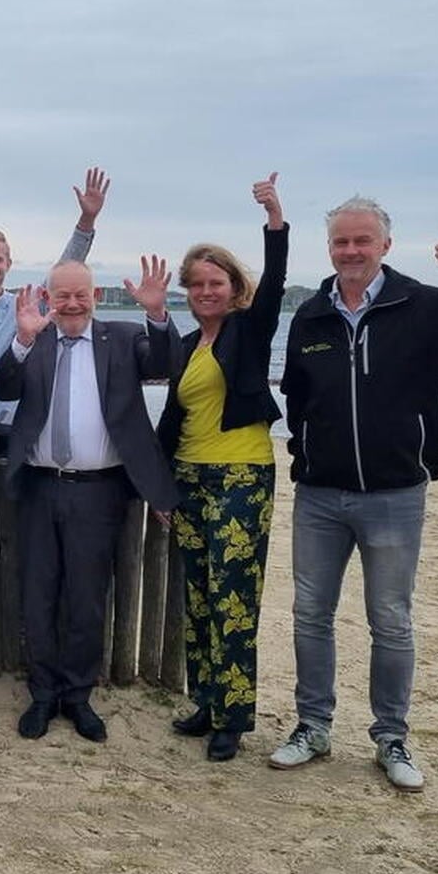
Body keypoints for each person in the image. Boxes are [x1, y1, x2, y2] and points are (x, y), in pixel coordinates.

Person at [268, 199, 438, 791]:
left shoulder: (426, 306)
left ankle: (391, 736)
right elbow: (297, 396)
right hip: (321, 495)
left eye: (362, 241)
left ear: (385, 244)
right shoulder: (310, 315)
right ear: (329, 248)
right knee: (310, 615)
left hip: (395, 493)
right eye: (341, 242)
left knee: (390, 619)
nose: (351, 251)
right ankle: (312, 725)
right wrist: (303, 456)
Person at [0, 259, 178, 744]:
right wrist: (23, 339)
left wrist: (158, 315)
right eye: (62, 296)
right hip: (39, 485)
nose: (72, 304)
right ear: (48, 298)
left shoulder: (120, 337)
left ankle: (77, 695)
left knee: (87, 597)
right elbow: (3, 386)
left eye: (80, 295)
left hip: (99, 490)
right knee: (38, 594)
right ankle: (42, 692)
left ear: (95, 295)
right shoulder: (35, 338)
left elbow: (162, 364)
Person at [146, 174, 287, 762]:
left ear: (234, 288)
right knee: (199, 597)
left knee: (233, 599)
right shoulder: (185, 343)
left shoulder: (248, 331)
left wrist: (275, 220)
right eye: (197, 284)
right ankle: (206, 702)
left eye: (216, 282)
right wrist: (159, 484)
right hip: (188, 478)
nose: (206, 291)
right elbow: (173, 418)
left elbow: (276, 283)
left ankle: (233, 716)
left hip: (239, 477)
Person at [0, 168, 111, 437]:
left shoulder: (25, 307)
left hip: (11, 426)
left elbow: (65, 267)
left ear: (8, 264)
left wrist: (87, 220)